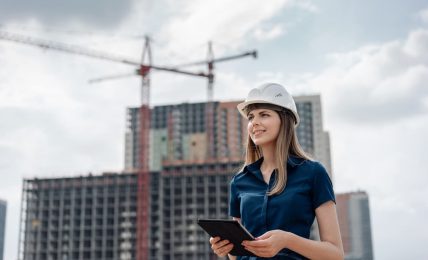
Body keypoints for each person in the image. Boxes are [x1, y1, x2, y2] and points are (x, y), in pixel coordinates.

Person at [209, 83, 344, 260]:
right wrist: (226, 248)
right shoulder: (239, 181)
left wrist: (287, 240)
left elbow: (335, 254)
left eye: (264, 115)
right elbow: (237, 255)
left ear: (285, 120)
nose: (254, 122)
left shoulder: (313, 173)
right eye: (251, 117)